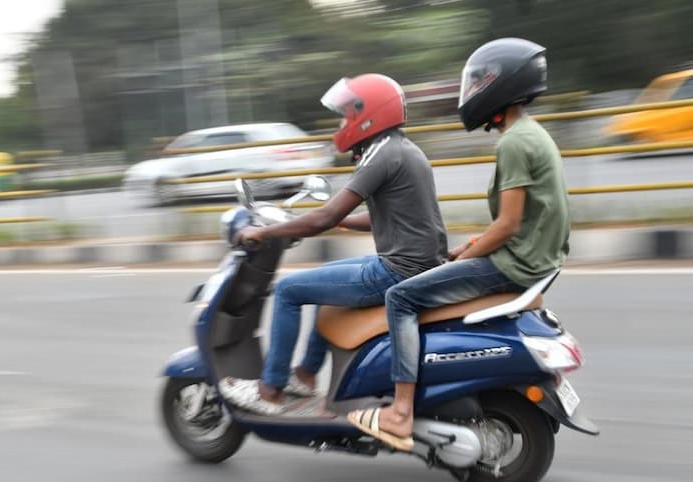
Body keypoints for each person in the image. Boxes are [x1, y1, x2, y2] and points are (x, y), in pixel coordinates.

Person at [346, 38, 571, 451]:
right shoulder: (532, 134)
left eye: (479, 83)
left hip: (515, 265)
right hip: (534, 259)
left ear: (500, 86)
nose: (472, 93)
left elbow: (507, 224)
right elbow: (523, 220)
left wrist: (470, 253)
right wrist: (470, 247)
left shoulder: (514, 142)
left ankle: (400, 411)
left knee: (400, 297)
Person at [218, 73, 448, 415]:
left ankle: (270, 391)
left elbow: (323, 217)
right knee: (324, 279)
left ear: (367, 114)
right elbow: (381, 218)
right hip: (417, 266)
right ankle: (306, 375)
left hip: (397, 272)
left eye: (347, 115)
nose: (343, 123)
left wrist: (263, 233)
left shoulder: (382, 155)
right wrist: (337, 220)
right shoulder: (404, 149)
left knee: (288, 291)